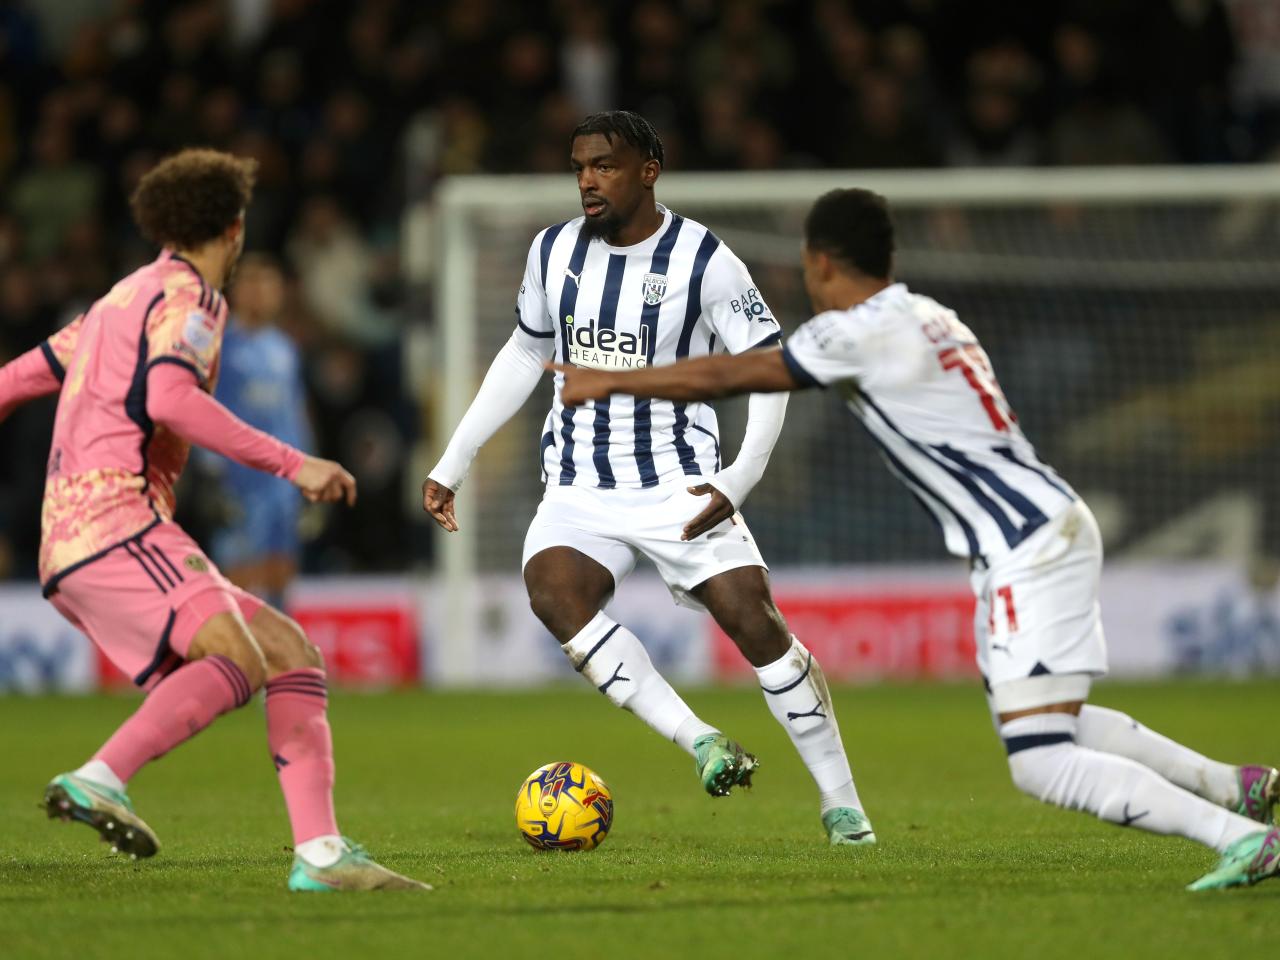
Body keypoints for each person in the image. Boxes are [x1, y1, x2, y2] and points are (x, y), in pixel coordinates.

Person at [554, 187, 1280, 891]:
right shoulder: (931, 315)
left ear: (821, 264)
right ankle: (1235, 787)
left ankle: (1240, 837)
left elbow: (742, 371)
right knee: (1053, 718)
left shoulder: (856, 331)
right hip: (1044, 525)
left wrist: (615, 383)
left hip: (1026, 544)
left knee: (1040, 760)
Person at [423, 111, 875, 846]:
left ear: (648, 172)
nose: (587, 181)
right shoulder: (552, 252)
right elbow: (524, 353)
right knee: (554, 592)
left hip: (678, 482)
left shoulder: (705, 260)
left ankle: (841, 803)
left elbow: (770, 367)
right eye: (579, 167)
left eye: (603, 166)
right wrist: (454, 459)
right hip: (579, 485)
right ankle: (703, 741)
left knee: (754, 621)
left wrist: (739, 478)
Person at [0, 149, 426, 892]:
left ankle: (321, 855)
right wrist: (295, 463)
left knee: (290, 652)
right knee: (237, 658)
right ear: (233, 228)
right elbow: (170, 398)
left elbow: (17, 378)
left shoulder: (119, 300)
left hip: (77, 535)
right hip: (117, 521)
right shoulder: (193, 299)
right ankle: (102, 777)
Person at [205, 253, 309, 609]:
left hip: (282, 486)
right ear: (236, 290)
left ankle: (277, 640)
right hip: (239, 483)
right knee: (240, 577)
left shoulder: (285, 348)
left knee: (281, 571)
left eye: (268, 283)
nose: (261, 291)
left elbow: (295, 414)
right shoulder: (219, 348)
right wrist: (210, 474)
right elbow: (202, 411)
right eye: (252, 282)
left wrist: (308, 472)